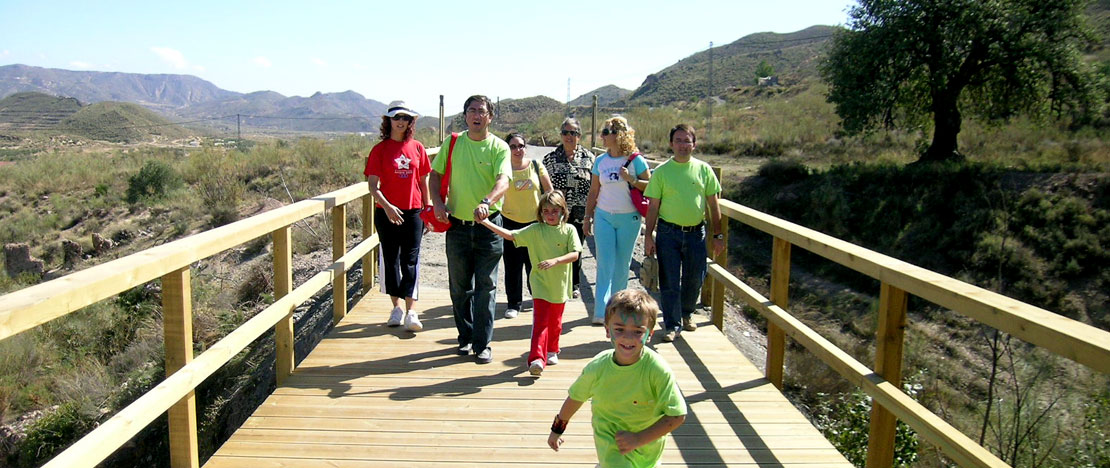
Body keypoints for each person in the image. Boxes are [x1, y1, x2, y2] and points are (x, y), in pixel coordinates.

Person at [547, 289, 687, 468]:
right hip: (611, 446)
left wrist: (638, 439)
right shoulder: (598, 367)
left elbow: (677, 414)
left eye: (637, 331)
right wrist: (557, 429)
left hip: (647, 452)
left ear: (649, 334)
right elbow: (576, 397)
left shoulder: (657, 370)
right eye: (619, 329)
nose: (627, 337)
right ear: (607, 330)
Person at [429, 95, 511, 364]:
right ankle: (465, 337)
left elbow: (503, 180)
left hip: (489, 227)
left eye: (482, 111)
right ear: (465, 115)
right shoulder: (453, 143)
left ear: (490, 117)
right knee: (460, 288)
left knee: (486, 286)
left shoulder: (499, 147)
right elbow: (435, 174)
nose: (477, 115)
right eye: (472, 110)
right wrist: (437, 202)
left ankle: (482, 343)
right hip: (458, 228)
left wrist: (487, 201)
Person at [480, 191, 580, 376]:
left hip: (559, 285)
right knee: (541, 322)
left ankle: (552, 349)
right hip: (540, 284)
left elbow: (575, 254)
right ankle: (536, 359)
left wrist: (556, 261)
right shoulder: (535, 230)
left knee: (555, 322)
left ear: (563, 211)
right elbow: (511, 235)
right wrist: (486, 222)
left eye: (555, 211)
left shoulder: (569, 230)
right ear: (540, 212)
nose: (550, 215)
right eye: (546, 211)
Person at [643, 124, 724, 343]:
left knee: (695, 277)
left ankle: (687, 313)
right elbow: (653, 207)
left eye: (687, 141)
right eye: (678, 140)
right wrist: (648, 236)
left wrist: (718, 235)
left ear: (694, 144)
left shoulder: (704, 169)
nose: (682, 145)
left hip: (696, 233)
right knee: (669, 280)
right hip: (668, 232)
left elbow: (713, 205)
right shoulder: (661, 172)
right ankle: (672, 324)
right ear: (671, 144)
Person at [363, 100, 431, 332]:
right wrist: (388, 207)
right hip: (386, 213)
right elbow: (373, 186)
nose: (401, 122)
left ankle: (412, 311)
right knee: (390, 260)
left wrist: (428, 209)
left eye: (405, 118)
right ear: (389, 120)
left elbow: (423, 181)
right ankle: (396, 308)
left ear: (410, 122)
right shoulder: (379, 150)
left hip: (413, 212)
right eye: (397, 117)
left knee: (410, 260)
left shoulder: (418, 148)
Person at [583, 116, 651, 325]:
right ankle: (600, 311)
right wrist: (588, 217)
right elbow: (594, 191)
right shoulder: (600, 161)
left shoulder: (635, 160)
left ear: (618, 135)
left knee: (622, 264)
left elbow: (650, 186)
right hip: (604, 216)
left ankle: (617, 309)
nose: (602, 136)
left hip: (629, 218)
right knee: (605, 263)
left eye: (606, 132)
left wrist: (631, 179)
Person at [500, 132, 553, 319]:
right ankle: (513, 303)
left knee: (535, 265)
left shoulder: (536, 166)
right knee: (512, 266)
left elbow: (549, 191)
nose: (518, 150)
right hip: (510, 223)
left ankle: (538, 299)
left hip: (535, 223)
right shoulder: (503, 168)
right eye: (513, 146)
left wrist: (550, 216)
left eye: (521, 146)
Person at [542, 118, 595, 299]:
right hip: (556, 213)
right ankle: (556, 283)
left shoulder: (589, 158)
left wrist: (592, 214)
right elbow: (543, 187)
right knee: (556, 248)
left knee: (575, 248)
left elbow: (596, 187)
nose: (569, 136)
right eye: (565, 132)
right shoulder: (550, 159)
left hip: (580, 212)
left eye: (573, 133)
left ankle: (574, 284)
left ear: (579, 135)